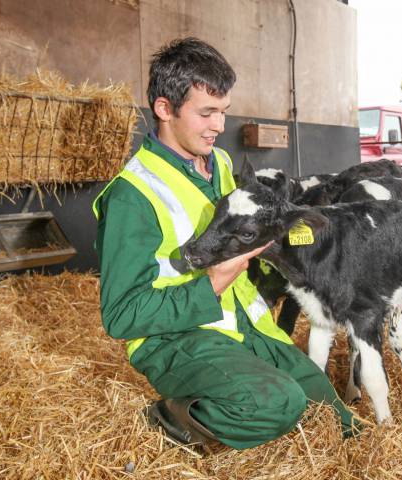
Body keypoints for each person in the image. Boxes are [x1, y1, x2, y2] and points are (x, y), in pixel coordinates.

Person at [93, 37, 360, 450]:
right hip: (177, 339)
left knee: (334, 417)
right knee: (277, 404)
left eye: (223, 112)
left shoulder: (217, 163)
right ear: (164, 109)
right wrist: (212, 284)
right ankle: (169, 417)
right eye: (207, 113)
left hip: (245, 326)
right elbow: (122, 317)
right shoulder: (133, 195)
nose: (220, 126)